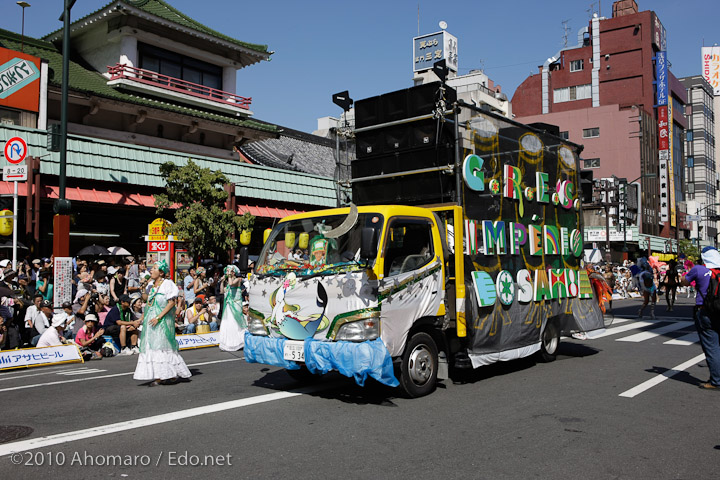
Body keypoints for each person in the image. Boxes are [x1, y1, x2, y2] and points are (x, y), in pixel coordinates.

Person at [133, 260, 191, 386]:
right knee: (152, 346)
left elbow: (171, 303)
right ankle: (164, 374)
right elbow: (148, 301)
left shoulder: (168, 284)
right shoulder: (152, 285)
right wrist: (143, 288)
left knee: (161, 346)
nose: (151, 271)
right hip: (151, 320)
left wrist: (159, 317)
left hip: (162, 321)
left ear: (161, 272)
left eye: (154, 268)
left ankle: (164, 375)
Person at [681, 247, 720, 390]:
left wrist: (688, 270)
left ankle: (716, 381)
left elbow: (684, 282)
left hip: (705, 311)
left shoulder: (699, 270)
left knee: (712, 346)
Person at [218, 265, 246, 351]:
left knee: (236, 322)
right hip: (229, 305)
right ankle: (228, 343)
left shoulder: (238, 279)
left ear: (233, 272)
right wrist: (222, 282)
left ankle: (239, 342)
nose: (227, 273)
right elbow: (222, 291)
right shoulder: (228, 282)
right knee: (228, 323)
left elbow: (231, 284)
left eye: (229, 271)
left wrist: (229, 276)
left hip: (236, 304)